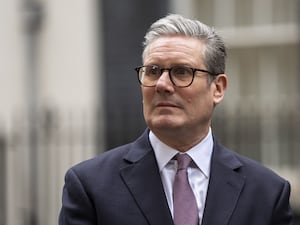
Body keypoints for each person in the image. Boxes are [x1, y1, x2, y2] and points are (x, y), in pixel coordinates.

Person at [59, 14, 293, 225]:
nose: (161, 84)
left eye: (182, 72)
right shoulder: (90, 186)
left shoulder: (267, 193)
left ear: (218, 88)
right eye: (152, 71)